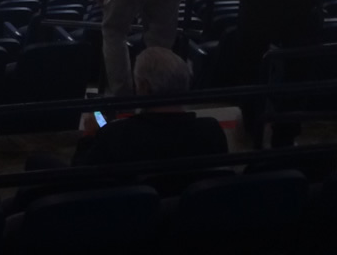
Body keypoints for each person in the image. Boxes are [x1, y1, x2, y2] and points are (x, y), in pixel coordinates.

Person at [72, 48, 228, 168]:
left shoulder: (117, 136)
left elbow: (79, 178)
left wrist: (89, 136)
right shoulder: (211, 131)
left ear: (144, 87)